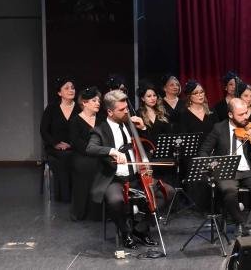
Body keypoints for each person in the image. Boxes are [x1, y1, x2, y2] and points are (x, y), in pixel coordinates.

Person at [86, 90, 175, 249]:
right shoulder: (100, 130)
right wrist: (112, 151)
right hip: (115, 179)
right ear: (110, 112)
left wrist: (143, 128)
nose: (126, 111)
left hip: (136, 176)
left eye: (127, 108)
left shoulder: (130, 124)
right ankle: (125, 231)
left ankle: (140, 229)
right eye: (122, 110)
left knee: (168, 192)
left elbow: (148, 146)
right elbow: (90, 148)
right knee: (115, 200)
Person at [198, 98, 251, 237]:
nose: (245, 117)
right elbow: (204, 151)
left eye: (246, 113)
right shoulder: (219, 128)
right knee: (229, 190)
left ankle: (250, 226)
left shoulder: (249, 128)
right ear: (230, 114)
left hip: (247, 170)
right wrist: (212, 164)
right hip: (227, 170)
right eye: (241, 114)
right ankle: (241, 221)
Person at [40, 76, 79, 202]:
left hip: (75, 146)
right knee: (63, 157)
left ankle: (75, 194)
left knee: (73, 156)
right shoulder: (51, 108)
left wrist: (71, 144)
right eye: (66, 88)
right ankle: (65, 195)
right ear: (59, 93)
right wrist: (55, 143)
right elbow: (44, 130)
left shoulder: (80, 108)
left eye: (72, 88)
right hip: (55, 147)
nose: (71, 90)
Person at [68, 86, 102, 221]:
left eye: (98, 101)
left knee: (104, 165)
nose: (98, 103)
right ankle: (80, 211)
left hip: (99, 154)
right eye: (94, 100)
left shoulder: (102, 120)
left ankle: (98, 213)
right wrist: (93, 150)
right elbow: (76, 142)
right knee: (86, 166)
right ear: (84, 103)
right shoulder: (75, 121)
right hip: (82, 155)